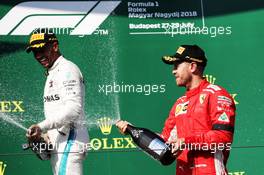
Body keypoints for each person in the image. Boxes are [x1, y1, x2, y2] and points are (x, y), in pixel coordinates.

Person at [116, 45, 236, 175]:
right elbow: (164, 142)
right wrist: (133, 131)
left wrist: (186, 142)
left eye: (177, 65)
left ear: (192, 67)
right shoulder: (180, 103)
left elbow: (223, 138)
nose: (173, 71)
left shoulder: (216, 94)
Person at [25, 29, 89, 175]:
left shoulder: (67, 69)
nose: (38, 55)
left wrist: (41, 127)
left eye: (42, 49)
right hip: (62, 144)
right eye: (35, 52)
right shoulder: (53, 72)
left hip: (69, 141)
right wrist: (47, 135)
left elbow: (73, 109)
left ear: (55, 46)